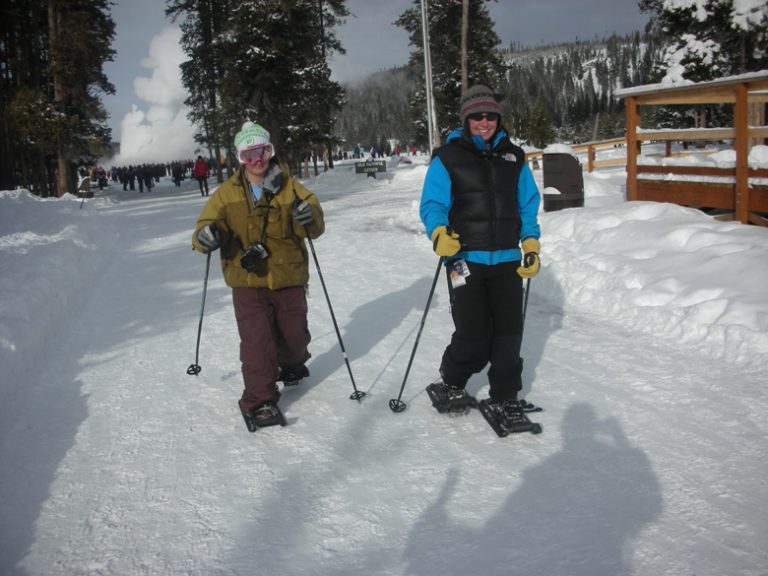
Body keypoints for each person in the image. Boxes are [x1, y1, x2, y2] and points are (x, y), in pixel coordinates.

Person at [419, 83, 541, 427]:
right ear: (466, 118)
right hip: (462, 258)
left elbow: (528, 205)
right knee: (473, 332)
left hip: (506, 258)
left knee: (508, 331)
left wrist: (530, 243)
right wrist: (439, 233)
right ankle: (452, 380)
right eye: (478, 117)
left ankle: (505, 394)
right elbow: (433, 204)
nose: (485, 122)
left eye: (491, 116)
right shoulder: (448, 157)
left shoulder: (514, 157)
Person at [191, 121, 325, 431]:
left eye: (262, 151)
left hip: (288, 276)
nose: (257, 160)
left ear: (270, 151)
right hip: (246, 281)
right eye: (248, 154)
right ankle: (259, 400)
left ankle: (291, 364)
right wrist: (206, 237)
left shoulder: (291, 187)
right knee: (256, 342)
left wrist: (309, 217)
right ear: (239, 158)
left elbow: (315, 223)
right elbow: (205, 226)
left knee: (294, 337)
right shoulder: (226, 195)